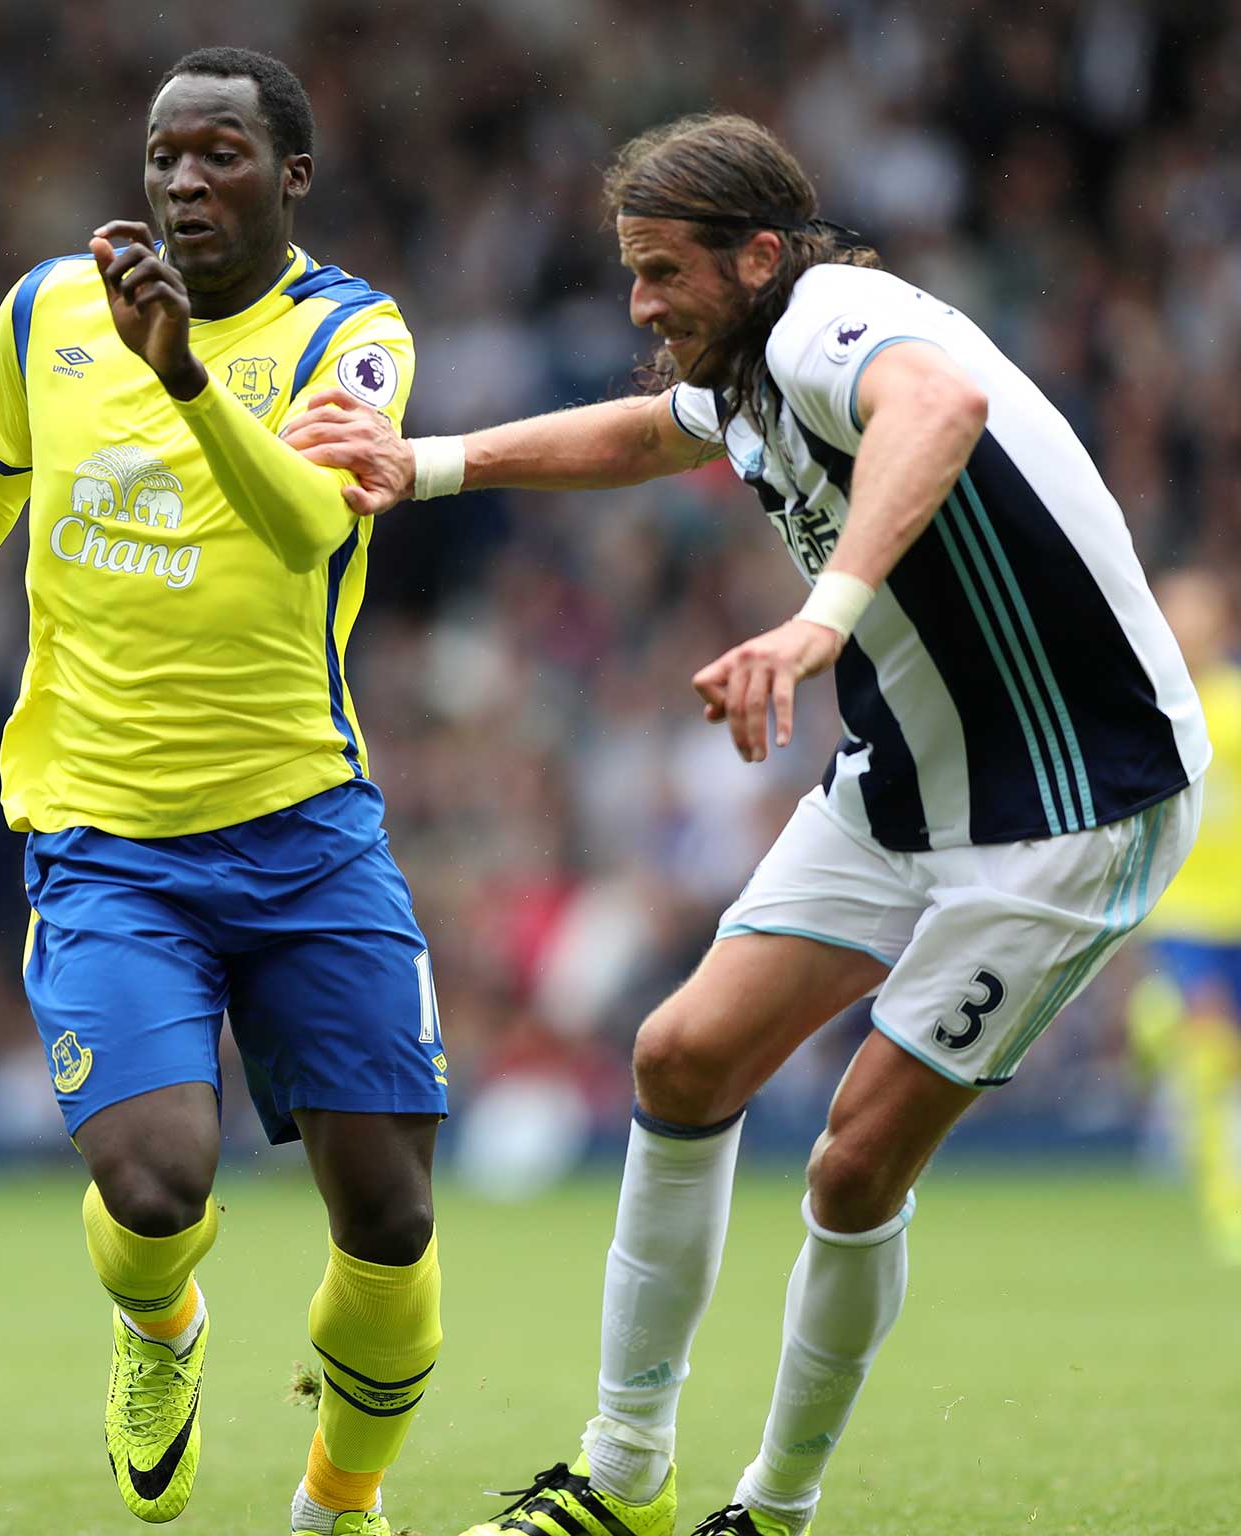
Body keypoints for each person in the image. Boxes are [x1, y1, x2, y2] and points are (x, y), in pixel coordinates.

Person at [283, 112, 1207, 1536]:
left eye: (663, 274)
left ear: (760, 256)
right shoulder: (747, 366)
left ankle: (775, 1507)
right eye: (632, 273)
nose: (642, 305)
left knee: (849, 1160)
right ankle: (625, 1475)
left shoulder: (833, 318)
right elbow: (650, 430)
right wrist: (431, 462)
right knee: (681, 1053)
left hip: (1079, 801)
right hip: (910, 780)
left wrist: (820, 621)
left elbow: (942, 412)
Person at [0, 47, 445, 1536]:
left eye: (218, 153)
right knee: (158, 1188)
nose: (179, 181)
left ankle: (337, 1506)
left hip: (304, 831)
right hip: (108, 844)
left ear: (291, 175)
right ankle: (159, 1334)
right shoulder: (48, 311)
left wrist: (179, 375)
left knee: (393, 1219)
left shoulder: (351, 337)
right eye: (164, 154)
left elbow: (307, 524)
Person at [1129, 571, 1241, 1263]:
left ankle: (1150, 1025)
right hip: (1183, 912)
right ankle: (1222, 1201)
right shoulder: (1150, 703)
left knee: (1218, 1051)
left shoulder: (1231, 704)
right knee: (1208, 1042)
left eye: (1199, 614)